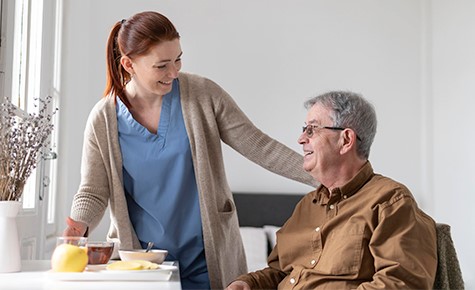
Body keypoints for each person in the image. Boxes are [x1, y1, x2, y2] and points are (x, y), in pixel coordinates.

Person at [62, 11, 316, 290]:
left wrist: (322, 174)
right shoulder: (104, 119)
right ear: (128, 64)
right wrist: (79, 225)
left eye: (178, 59)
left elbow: (260, 146)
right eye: (161, 66)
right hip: (143, 263)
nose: (174, 72)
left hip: (207, 259)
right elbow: (93, 190)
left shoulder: (202, 95)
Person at [227, 91, 438, 290]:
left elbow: (401, 284)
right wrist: (250, 283)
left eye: (312, 129)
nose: (301, 140)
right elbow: (281, 272)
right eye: (303, 130)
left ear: (346, 140)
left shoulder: (390, 201)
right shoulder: (306, 206)